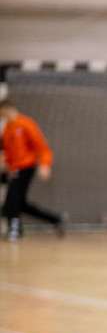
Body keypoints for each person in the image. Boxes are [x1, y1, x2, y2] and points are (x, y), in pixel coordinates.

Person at [1, 99, 65, 240]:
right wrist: (5, 163)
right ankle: (56, 219)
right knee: (21, 203)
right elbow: (8, 152)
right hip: (14, 169)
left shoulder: (26, 124)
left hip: (26, 167)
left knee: (12, 199)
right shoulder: (7, 129)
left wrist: (45, 164)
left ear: (7, 109)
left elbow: (42, 147)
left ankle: (15, 230)